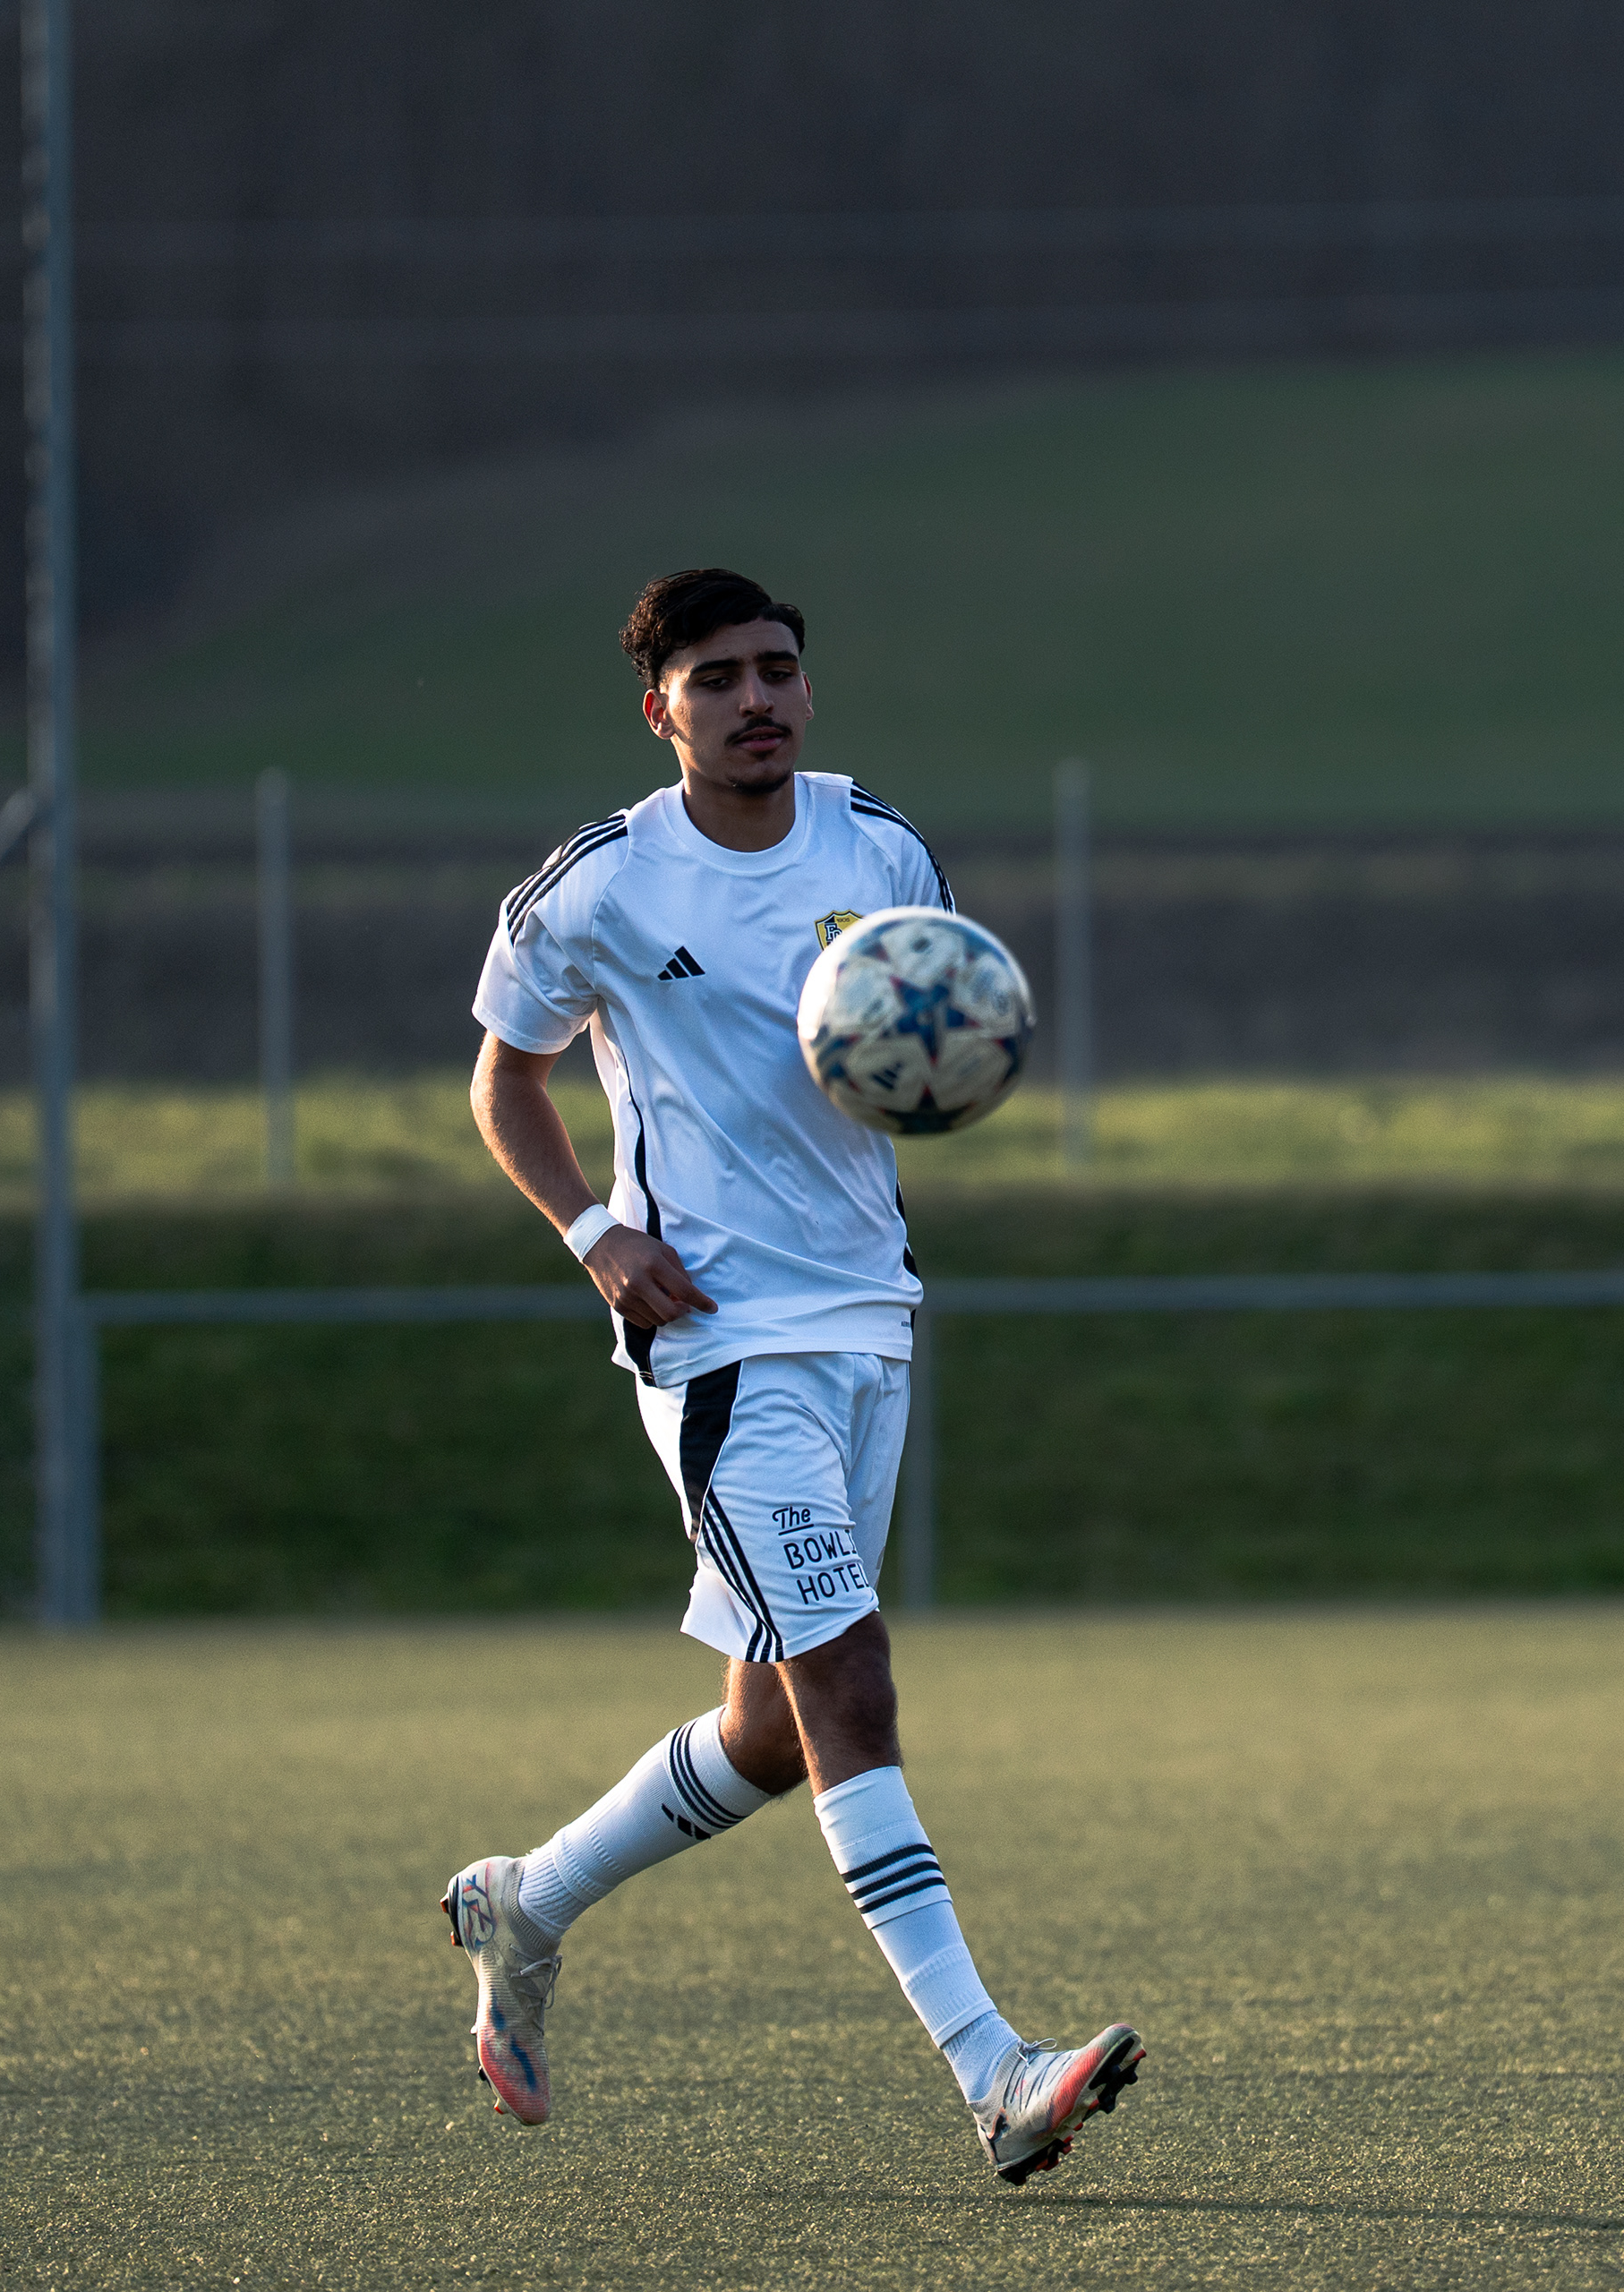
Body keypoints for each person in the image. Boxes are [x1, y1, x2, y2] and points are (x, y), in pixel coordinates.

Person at [442, 567, 1143, 2183]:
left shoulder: (877, 846)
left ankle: (523, 1902)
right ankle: (994, 2072)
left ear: (807, 690)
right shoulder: (601, 885)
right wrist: (597, 1235)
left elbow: (928, 1018)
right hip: (717, 1343)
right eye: (718, 678)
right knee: (852, 1684)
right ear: (662, 710)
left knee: (768, 1733)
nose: (755, 698)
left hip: (868, 1319)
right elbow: (506, 1080)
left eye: (776, 670)